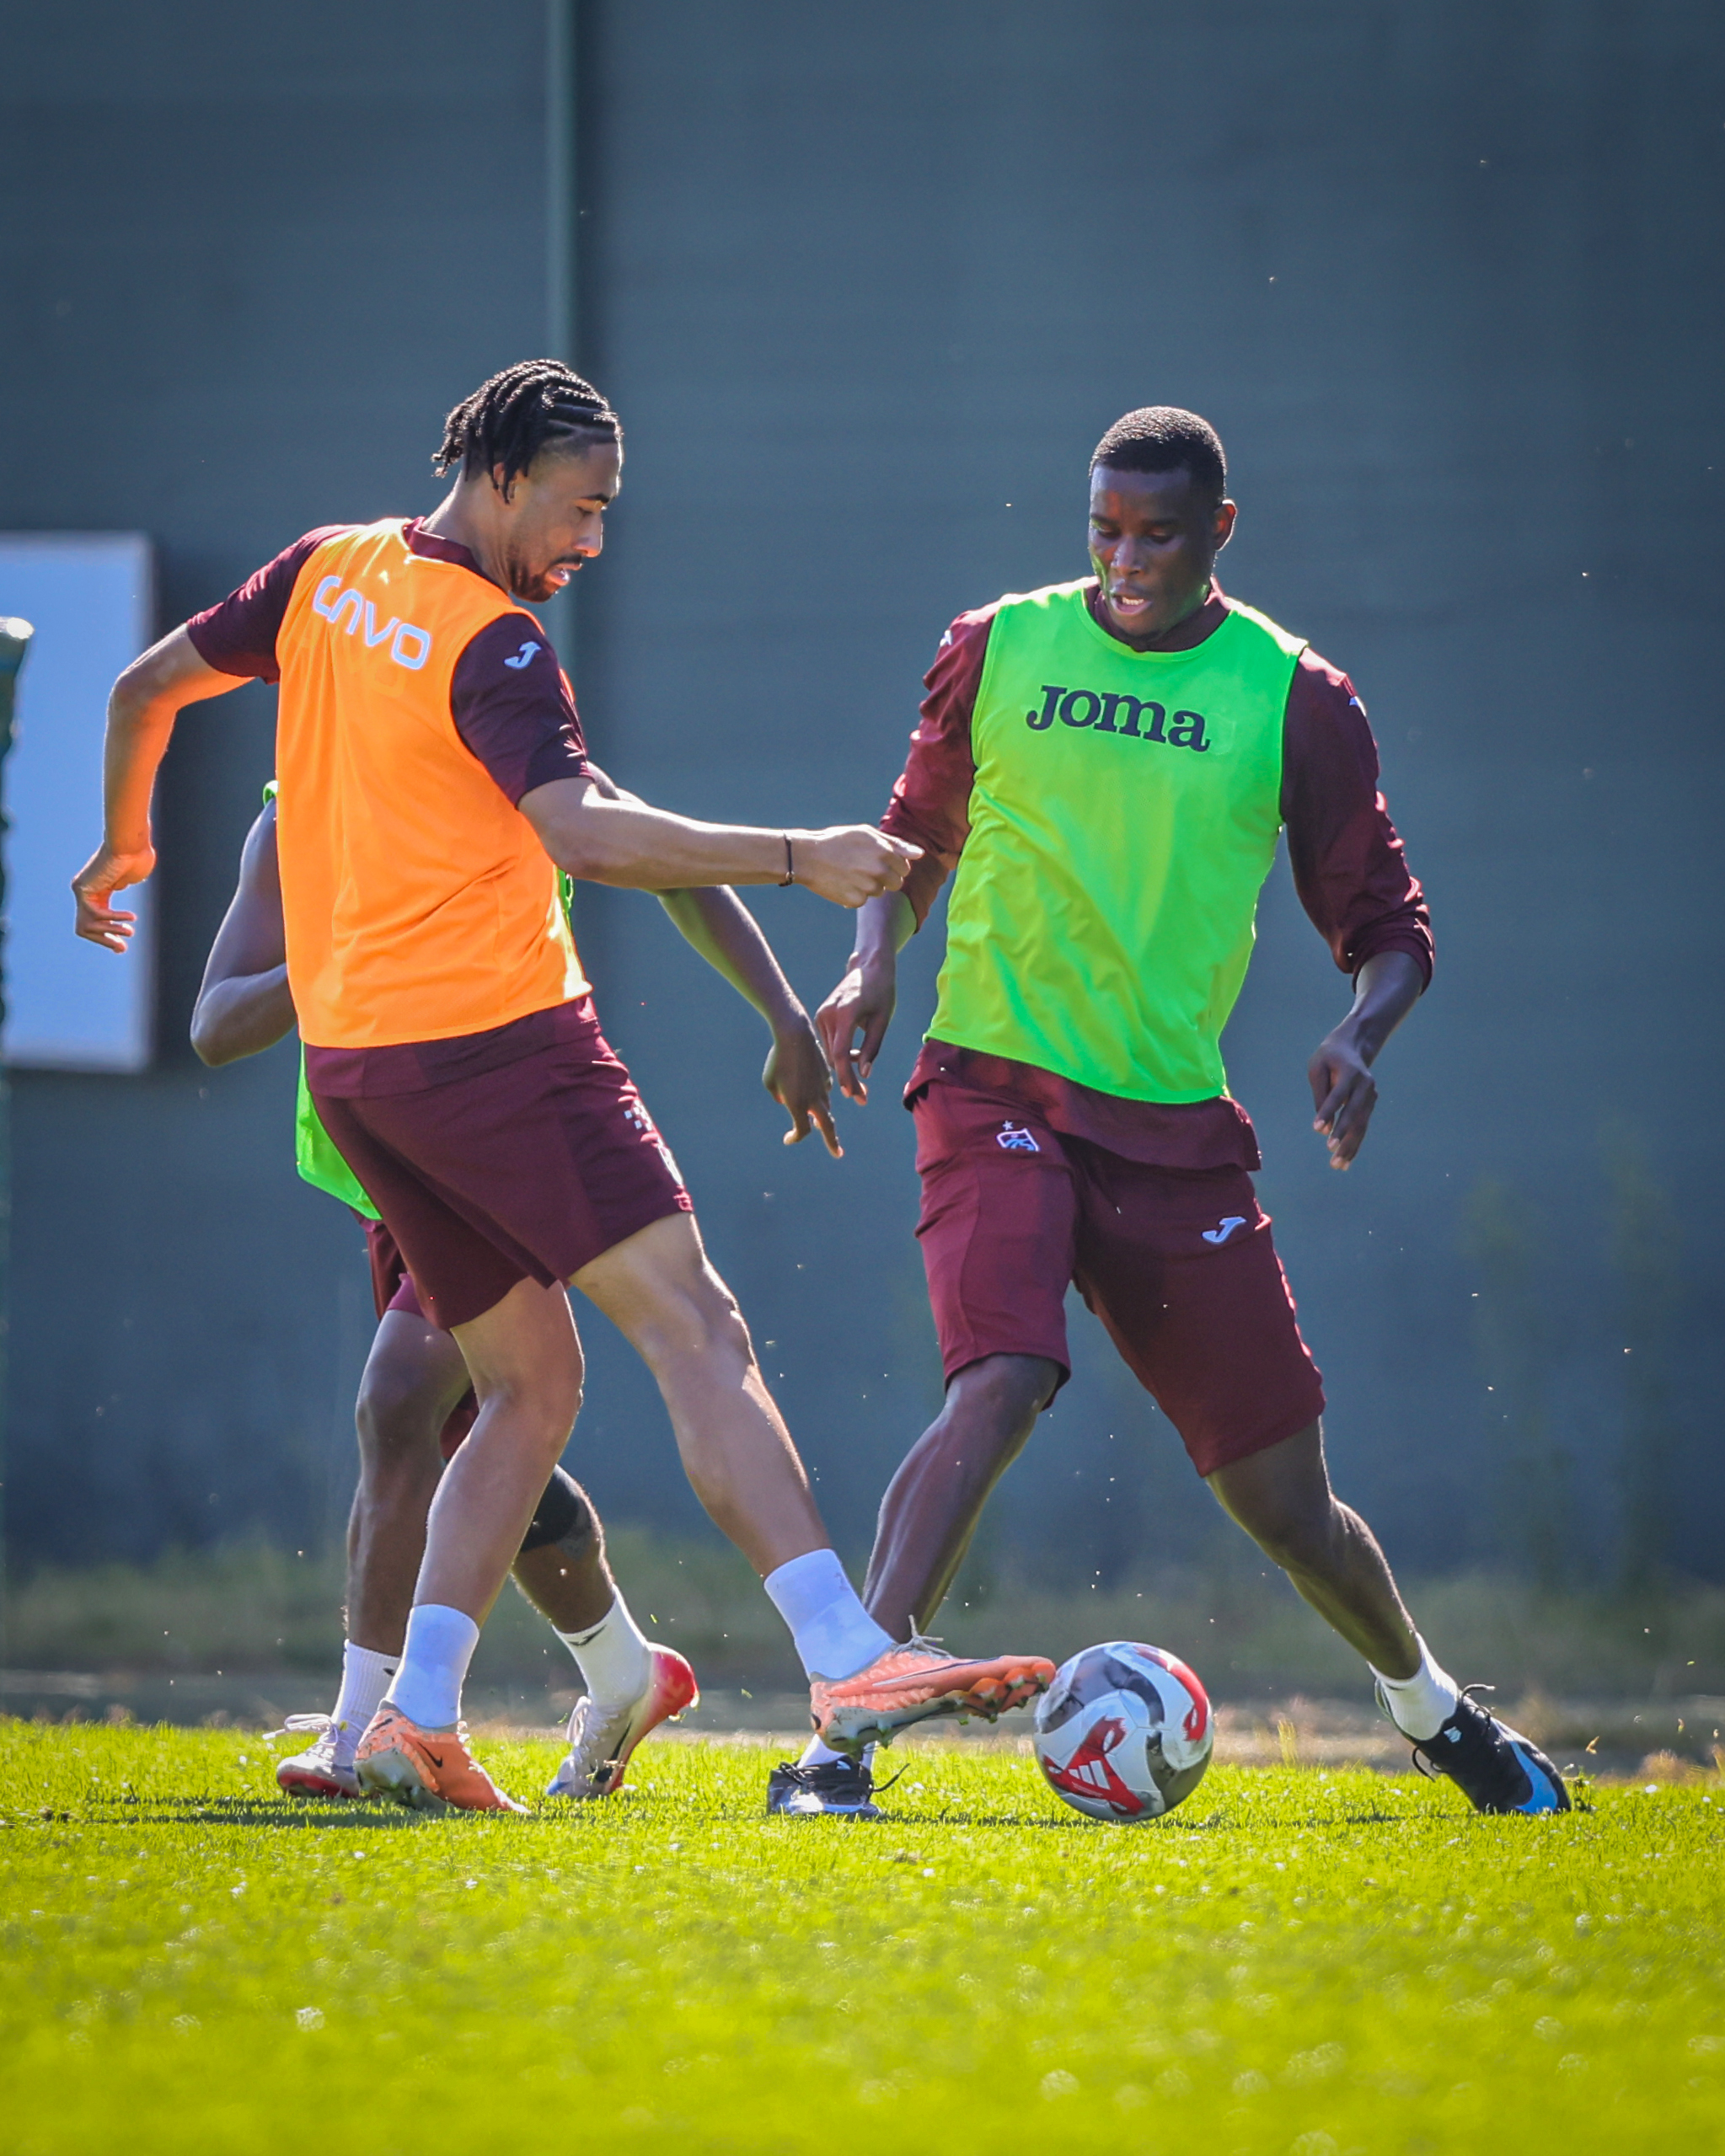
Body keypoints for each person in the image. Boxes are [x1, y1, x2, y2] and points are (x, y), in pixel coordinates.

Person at [75, 358, 1053, 1814]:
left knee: (525, 1388)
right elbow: (588, 834)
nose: (592, 538)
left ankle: (412, 1717)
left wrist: (123, 841)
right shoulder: (498, 642)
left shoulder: (325, 569)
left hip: (362, 1072)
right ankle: (848, 1656)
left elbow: (143, 683)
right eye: (579, 506)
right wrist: (802, 855)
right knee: (696, 1324)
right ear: (502, 474)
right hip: (501, 1046)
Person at [789, 404, 1568, 1822]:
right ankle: (837, 1741)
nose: (1125, 559)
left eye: (1157, 534)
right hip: (994, 1078)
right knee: (1002, 1374)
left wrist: (1357, 1032)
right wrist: (871, 959)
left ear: (1219, 529)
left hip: (1169, 1130)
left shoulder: (1294, 695)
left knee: (1284, 1501)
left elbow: (1389, 925)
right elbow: (912, 836)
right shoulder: (999, 644)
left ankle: (1435, 1712)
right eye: (1104, 530)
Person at [191, 766, 840, 1802]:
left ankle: (364, 1726)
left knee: (406, 1401)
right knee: (484, 1437)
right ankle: (622, 1672)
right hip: (385, 1163)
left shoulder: (505, 746)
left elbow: (668, 861)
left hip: (501, 1139)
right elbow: (216, 1024)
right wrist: (336, 951)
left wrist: (785, 1013)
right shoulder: (296, 809)